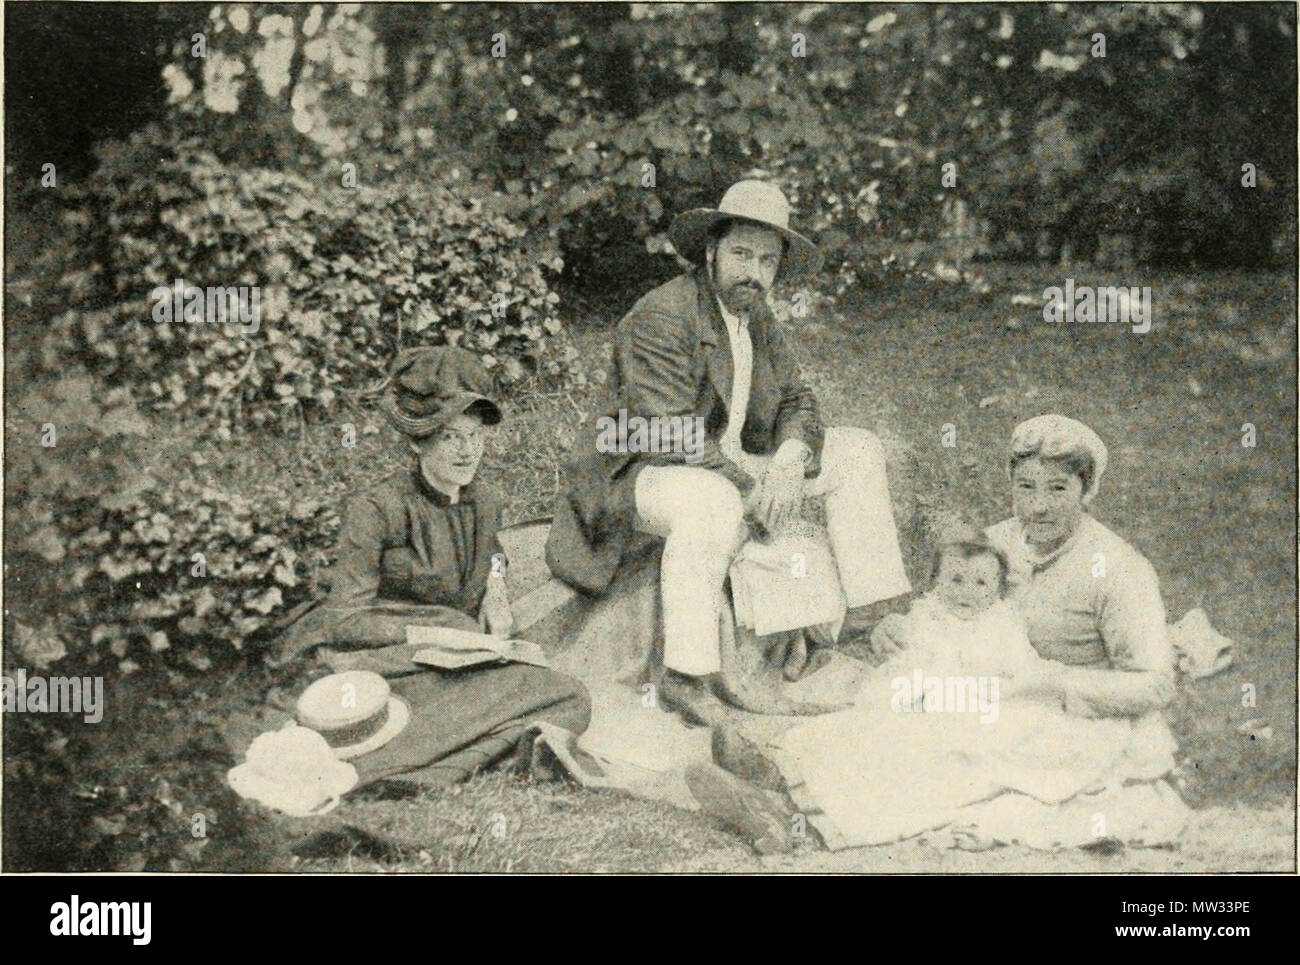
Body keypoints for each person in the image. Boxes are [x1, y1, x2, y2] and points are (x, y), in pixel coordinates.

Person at [691, 415, 1187, 853]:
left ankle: (801, 821)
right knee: (899, 716)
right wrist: (896, 628)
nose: (1037, 507)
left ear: (1088, 491)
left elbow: (1155, 684)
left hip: (1078, 715)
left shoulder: (1118, 569)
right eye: (1026, 487)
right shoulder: (999, 541)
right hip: (992, 689)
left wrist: (1051, 684)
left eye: (1058, 489)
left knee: (945, 745)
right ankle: (778, 787)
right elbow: (955, 606)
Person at [545, 179, 912, 725]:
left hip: (722, 461)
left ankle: (868, 617)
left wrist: (788, 463)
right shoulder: (663, 316)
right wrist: (752, 485)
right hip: (642, 471)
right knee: (714, 501)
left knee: (858, 450)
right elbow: (667, 431)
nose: (754, 272)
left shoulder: (755, 315)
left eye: (767, 260)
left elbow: (799, 398)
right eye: (742, 253)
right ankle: (687, 675)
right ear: (711, 250)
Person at [279, 347, 591, 790]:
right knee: (523, 697)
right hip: (386, 660)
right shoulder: (375, 509)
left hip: (457, 657)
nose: (467, 452)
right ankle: (424, 763)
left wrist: (497, 593)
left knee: (569, 694)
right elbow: (343, 620)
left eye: (476, 436)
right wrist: (437, 634)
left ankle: (439, 756)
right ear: (416, 441)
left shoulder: (485, 500)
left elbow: (495, 554)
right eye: (450, 437)